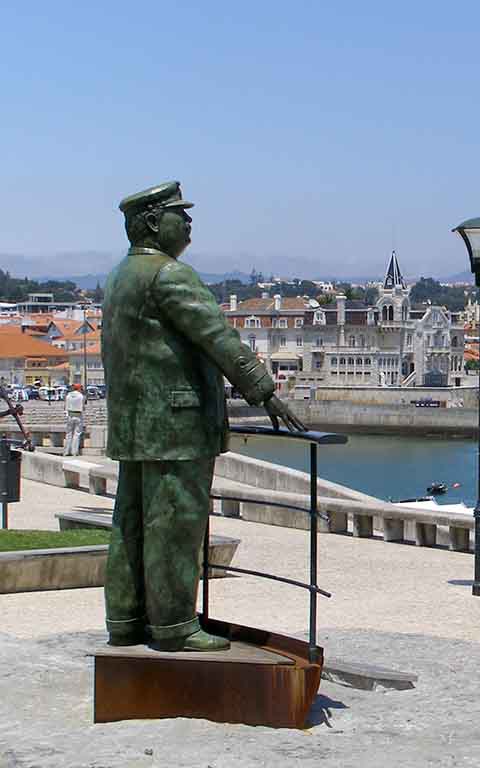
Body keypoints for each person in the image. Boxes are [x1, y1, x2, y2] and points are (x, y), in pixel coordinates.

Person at [102, 181, 306, 653]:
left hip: (134, 423)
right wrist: (264, 391)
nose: (190, 224)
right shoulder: (170, 275)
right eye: (181, 215)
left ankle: (126, 620)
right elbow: (218, 338)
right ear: (153, 222)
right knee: (177, 523)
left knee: (130, 523)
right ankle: (174, 626)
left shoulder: (118, 276)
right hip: (176, 424)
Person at [63, 384, 86, 456]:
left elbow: (65, 406)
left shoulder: (68, 395)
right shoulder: (81, 396)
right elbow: (83, 407)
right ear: (79, 389)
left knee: (68, 433)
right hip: (78, 415)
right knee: (77, 434)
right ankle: (74, 451)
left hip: (70, 415)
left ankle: (66, 451)